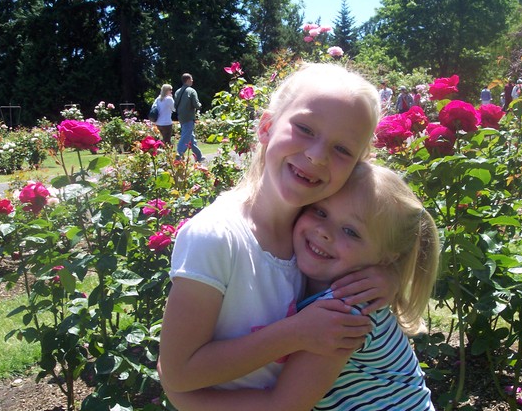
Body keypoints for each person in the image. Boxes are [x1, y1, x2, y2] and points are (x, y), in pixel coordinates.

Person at [158, 63, 395, 397]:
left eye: (342, 149)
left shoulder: (320, 237)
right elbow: (179, 375)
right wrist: (295, 333)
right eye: (305, 128)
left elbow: (416, 232)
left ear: (357, 165)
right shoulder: (216, 237)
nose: (317, 156)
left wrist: (392, 278)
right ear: (267, 127)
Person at [165, 161, 440, 410]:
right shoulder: (305, 266)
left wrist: (187, 400)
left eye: (351, 231)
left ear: (385, 258)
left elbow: (284, 407)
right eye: (320, 211)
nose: (323, 231)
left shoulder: (347, 308)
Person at [174, 73, 203, 161]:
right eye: (191, 79)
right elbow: (196, 104)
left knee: (190, 136)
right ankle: (179, 154)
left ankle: (199, 156)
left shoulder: (177, 91)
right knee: (186, 136)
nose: (192, 81)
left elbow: (175, 105)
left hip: (181, 117)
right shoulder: (191, 91)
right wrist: (200, 105)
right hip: (189, 116)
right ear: (187, 80)